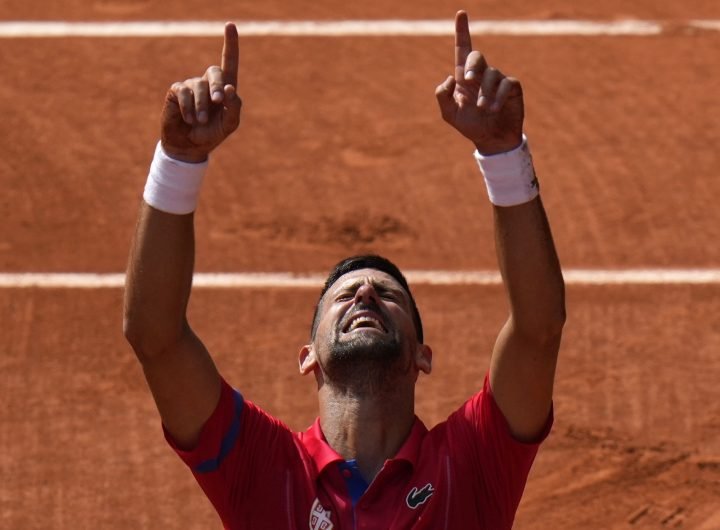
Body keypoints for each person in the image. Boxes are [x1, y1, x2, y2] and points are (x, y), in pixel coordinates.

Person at [124, 10, 565, 530]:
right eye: (345, 295)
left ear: (424, 356)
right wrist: (177, 159)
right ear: (307, 357)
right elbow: (155, 336)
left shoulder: (472, 459)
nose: (365, 295)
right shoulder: (264, 466)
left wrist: (502, 154)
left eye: (388, 294)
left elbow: (537, 330)